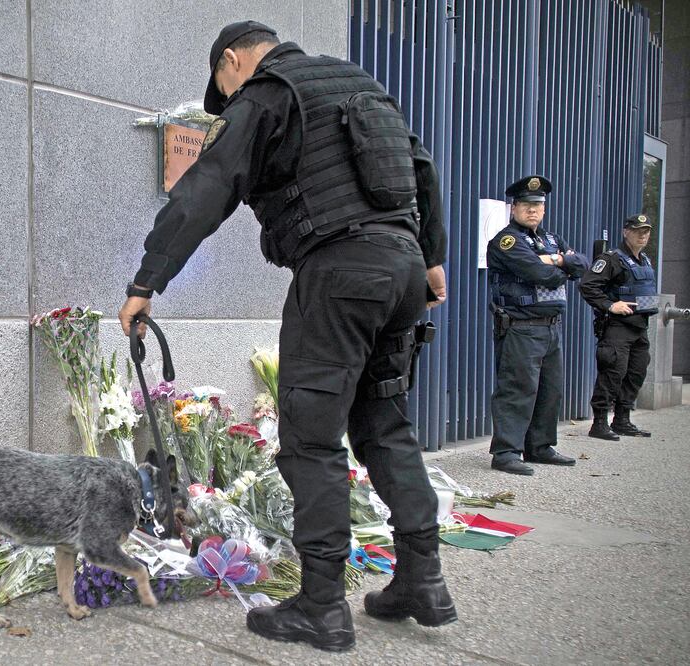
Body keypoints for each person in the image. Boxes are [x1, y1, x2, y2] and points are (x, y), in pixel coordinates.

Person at [118, 21, 454, 651]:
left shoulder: (269, 93)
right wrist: (430, 257)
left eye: (224, 84)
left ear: (231, 60)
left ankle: (322, 607)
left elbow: (206, 190)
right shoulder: (361, 84)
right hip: (403, 268)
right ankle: (423, 581)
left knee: (311, 438)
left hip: (340, 275)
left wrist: (146, 282)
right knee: (384, 424)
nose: (228, 95)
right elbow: (422, 167)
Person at [486, 175, 590, 475]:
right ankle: (506, 452)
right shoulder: (507, 241)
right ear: (514, 208)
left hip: (551, 327)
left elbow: (581, 264)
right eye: (526, 205)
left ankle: (539, 447)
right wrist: (561, 265)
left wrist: (554, 260)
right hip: (521, 326)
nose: (532, 211)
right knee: (518, 389)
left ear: (543, 210)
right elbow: (538, 274)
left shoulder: (552, 240)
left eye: (537, 206)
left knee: (549, 390)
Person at [580, 214, 657, 440]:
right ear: (626, 232)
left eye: (646, 231)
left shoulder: (645, 260)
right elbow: (588, 286)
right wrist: (610, 305)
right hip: (617, 328)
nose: (642, 235)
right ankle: (599, 423)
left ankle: (622, 420)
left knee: (635, 373)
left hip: (639, 327)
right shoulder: (612, 259)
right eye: (637, 231)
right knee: (613, 373)